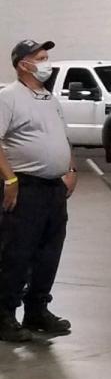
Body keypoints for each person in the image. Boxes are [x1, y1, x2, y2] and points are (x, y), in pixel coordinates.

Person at [0, 40, 77, 341]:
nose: (48, 63)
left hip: (54, 189)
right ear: (23, 65)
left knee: (49, 252)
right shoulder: (9, 97)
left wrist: (69, 170)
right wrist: (9, 180)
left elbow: (62, 138)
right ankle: (4, 314)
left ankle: (37, 310)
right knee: (17, 253)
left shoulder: (49, 98)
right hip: (26, 187)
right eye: (40, 58)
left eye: (47, 57)